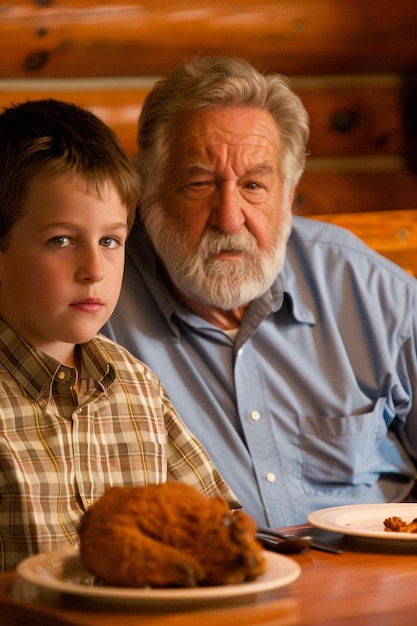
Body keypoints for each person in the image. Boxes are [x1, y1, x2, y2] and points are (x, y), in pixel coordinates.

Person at [104, 55, 417, 528]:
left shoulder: (370, 291)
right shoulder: (98, 305)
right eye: (199, 183)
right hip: (204, 591)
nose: (229, 218)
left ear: (288, 197)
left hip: (376, 584)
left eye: (254, 186)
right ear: (149, 194)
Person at [0, 98, 239, 572]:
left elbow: (218, 523)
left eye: (110, 241)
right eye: (60, 241)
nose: (94, 270)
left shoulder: (136, 385)